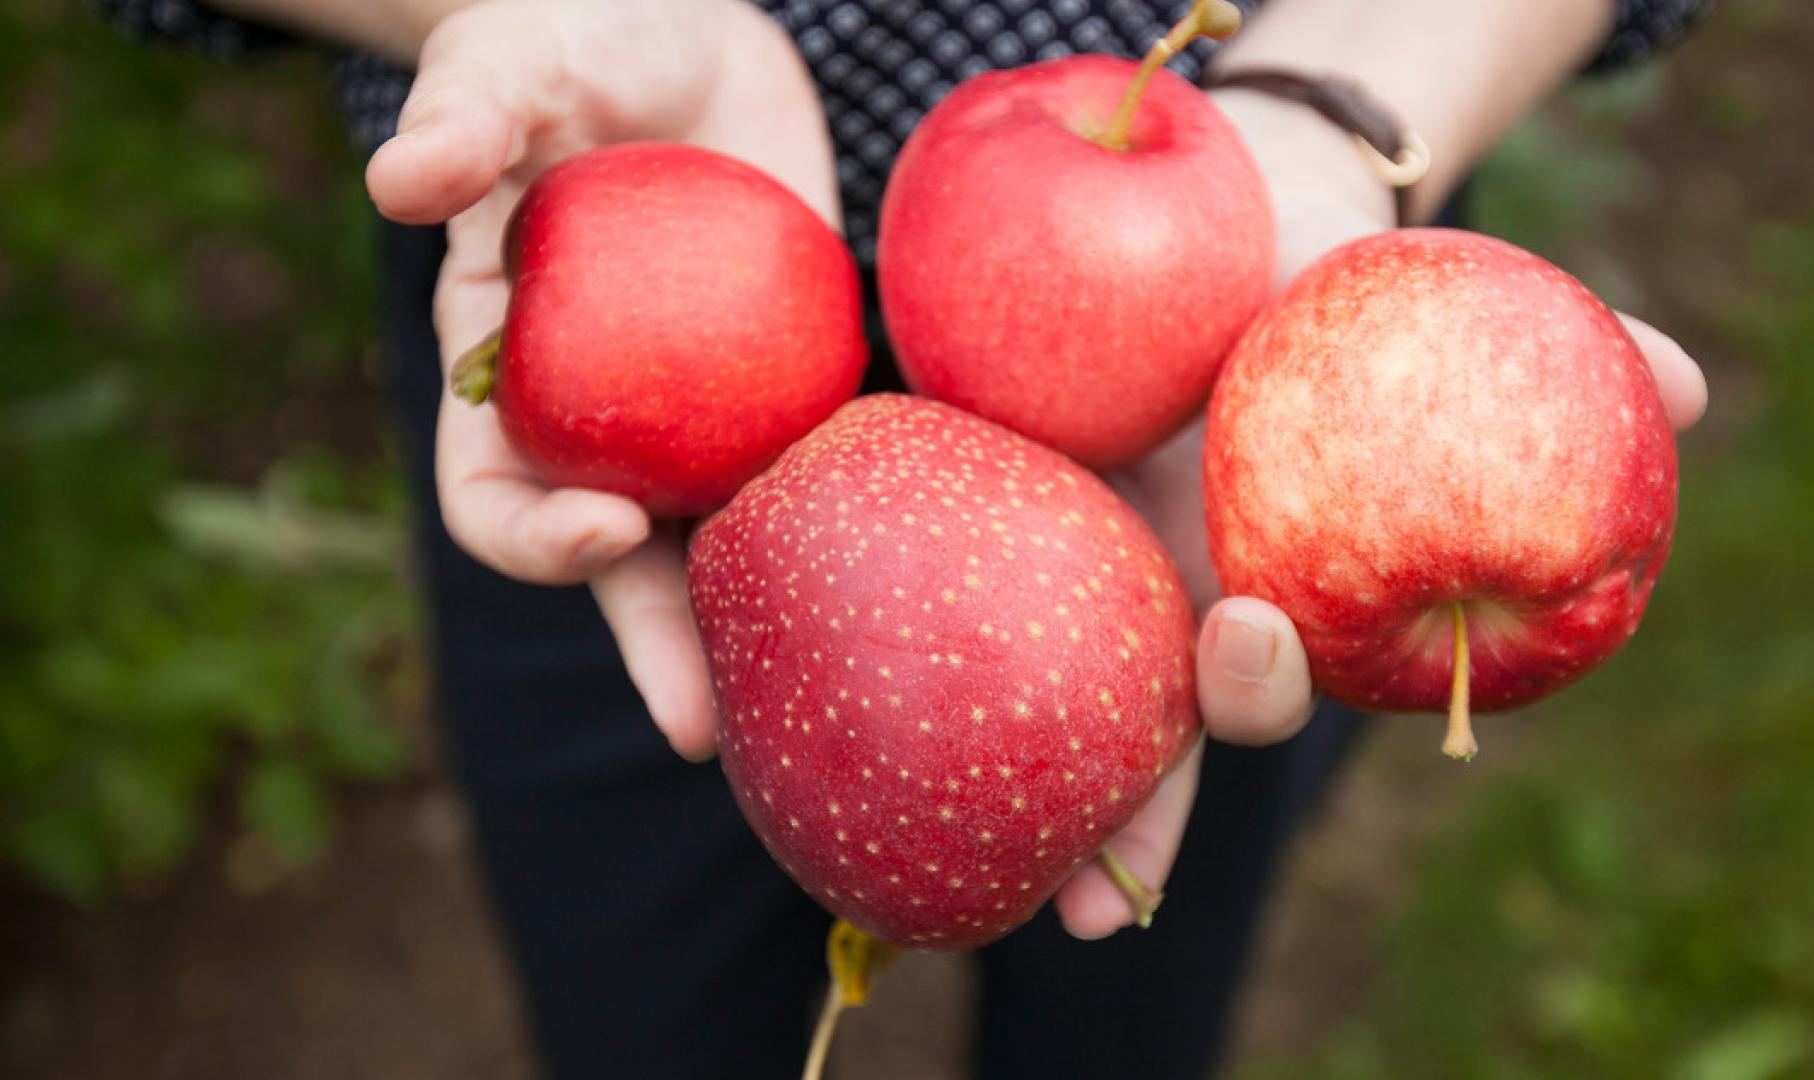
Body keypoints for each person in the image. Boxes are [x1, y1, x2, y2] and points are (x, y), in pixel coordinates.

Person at [96, 1, 1714, 1076]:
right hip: (617, 297)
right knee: (640, 1006)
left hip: (1238, 376)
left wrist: (1352, 87)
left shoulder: (1333, 425)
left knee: (1130, 1008)